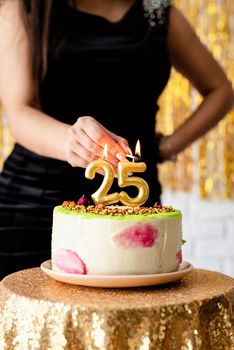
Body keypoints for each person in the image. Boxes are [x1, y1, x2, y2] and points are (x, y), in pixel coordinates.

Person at [0, 0, 233, 279]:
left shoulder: (156, 12)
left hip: (134, 200)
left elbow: (221, 90)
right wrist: (72, 141)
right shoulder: (24, 6)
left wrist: (166, 146)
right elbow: (19, 112)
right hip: (33, 205)